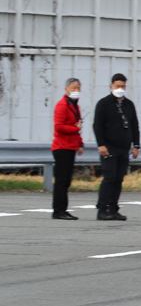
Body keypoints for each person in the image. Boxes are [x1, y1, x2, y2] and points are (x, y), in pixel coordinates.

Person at [92, 73, 140, 221]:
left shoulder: (128, 104)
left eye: (123, 86)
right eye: (117, 86)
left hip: (123, 148)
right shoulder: (104, 103)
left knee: (119, 178)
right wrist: (101, 144)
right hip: (109, 147)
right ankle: (102, 208)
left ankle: (113, 208)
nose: (120, 89)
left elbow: (134, 125)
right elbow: (97, 125)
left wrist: (136, 145)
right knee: (109, 178)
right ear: (111, 86)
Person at [51, 77, 85, 220]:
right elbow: (59, 126)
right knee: (62, 180)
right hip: (62, 147)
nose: (76, 91)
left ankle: (62, 209)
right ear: (66, 89)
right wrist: (74, 129)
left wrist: (80, 143)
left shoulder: (74, 105)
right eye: (73, 88)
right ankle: (59, 210)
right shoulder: (62, 105)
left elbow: (78, 127)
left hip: (71, 146)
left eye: (78, 88)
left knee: (66, 180)